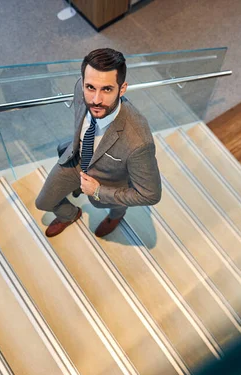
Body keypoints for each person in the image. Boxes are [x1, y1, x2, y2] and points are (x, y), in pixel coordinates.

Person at [35, 48, 162, 238]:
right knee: (43, 202)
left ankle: (117, 216)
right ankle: (70, 215)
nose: (96, 100)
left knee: (117, 206)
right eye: (90, 87)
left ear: (122, 88)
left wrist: (97, 192)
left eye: (107, 89)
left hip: (109, 181)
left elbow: (150, 194)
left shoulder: (138, 141)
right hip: (77, 160)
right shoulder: (81, 88)